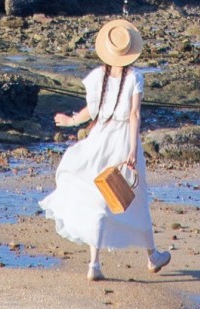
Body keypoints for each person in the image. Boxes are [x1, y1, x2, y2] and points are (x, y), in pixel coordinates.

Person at [40, 18, 172, 282]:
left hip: (100, 138)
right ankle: (152, 256)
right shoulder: (135, 77)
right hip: (123, 139)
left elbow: (93, 110)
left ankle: (94, 264)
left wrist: (71, 120)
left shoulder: (98, 76)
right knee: (134, 197)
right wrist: (133, 150)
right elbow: (134, 115)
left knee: (97, 197)